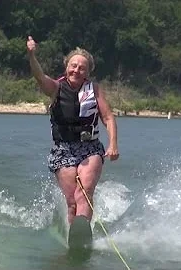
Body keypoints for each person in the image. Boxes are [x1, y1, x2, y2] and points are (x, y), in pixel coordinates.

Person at [26, 36, 119, 225]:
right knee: (71, 202)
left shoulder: (94, 89)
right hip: (63, 150)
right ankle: (74, 236)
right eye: (73, 65)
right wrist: (31, 55)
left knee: (83, 193)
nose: (76, 70)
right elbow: (39, 76)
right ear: (66, 67)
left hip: (90, 148)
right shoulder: (56, 88)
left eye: (82, 68)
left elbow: (108, 117)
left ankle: (83, 229)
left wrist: (113, 144)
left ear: (87, 73)